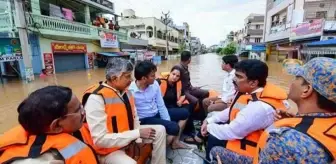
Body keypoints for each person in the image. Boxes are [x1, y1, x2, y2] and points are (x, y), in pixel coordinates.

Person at [81, 58, 166, 164]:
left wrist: (137, 139)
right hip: (108, 151)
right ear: (114, 78)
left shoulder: (127, 92)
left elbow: (135, 118)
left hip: (127, 137)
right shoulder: (96, 98)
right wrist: (136, 134)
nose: (131, 80)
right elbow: (100, 140)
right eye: (127, 76)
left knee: (160, 130)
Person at [203, 59, 289, 162]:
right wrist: (210, 120)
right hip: (246, 133)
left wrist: (208, 127)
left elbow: (232, 132)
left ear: (253, 83)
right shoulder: (255, 93)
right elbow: (232, 110)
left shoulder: (259, 107)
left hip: (255, 155)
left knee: (213, 143)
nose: (234, 79)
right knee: (214, 127)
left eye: (239, 77)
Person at [254, 57, 336, 163]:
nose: (291, 82)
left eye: (297, 78)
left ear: (306, 90)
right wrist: (296, 121)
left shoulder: (283, 142)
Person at [0, 86, 98, 164]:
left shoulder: (37, 127)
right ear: (56, 126)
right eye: (78, 110)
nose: (83, 111)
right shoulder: (45, 160)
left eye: (81, 105)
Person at [129, 61, 189, 149]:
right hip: (145, 119)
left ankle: (175, 142)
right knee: (174, 127)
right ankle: (165, 141)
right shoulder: (130, 91)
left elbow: (161, 105)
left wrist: (167, 122)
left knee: (185, 113)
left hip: (156, 113)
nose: (156, 77)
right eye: (153, 76)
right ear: (144, 78)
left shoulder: (155, 84)